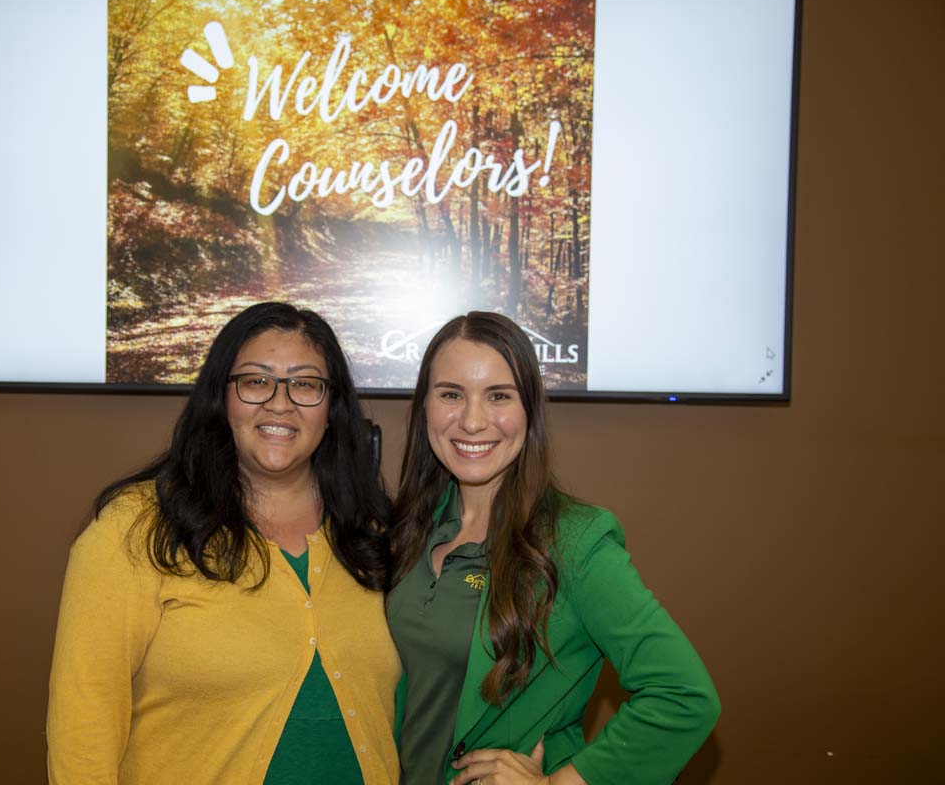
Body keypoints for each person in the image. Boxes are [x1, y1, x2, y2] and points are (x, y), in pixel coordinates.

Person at [47, 302, 400, 784]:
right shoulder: (135, 529)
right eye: (256, 381)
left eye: (305, 384)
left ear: (332, 408)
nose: (280, 403)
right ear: (222, 396)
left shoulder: (378, 533)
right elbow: (82, 726)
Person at [386, 312, 720, 785]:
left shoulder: (575, 541)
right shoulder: (406, 529)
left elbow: (684, 695)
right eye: (451, 394)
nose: (473, 420)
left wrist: (559, 784)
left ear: (530, 411)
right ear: (424, 407)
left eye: (499, 396)